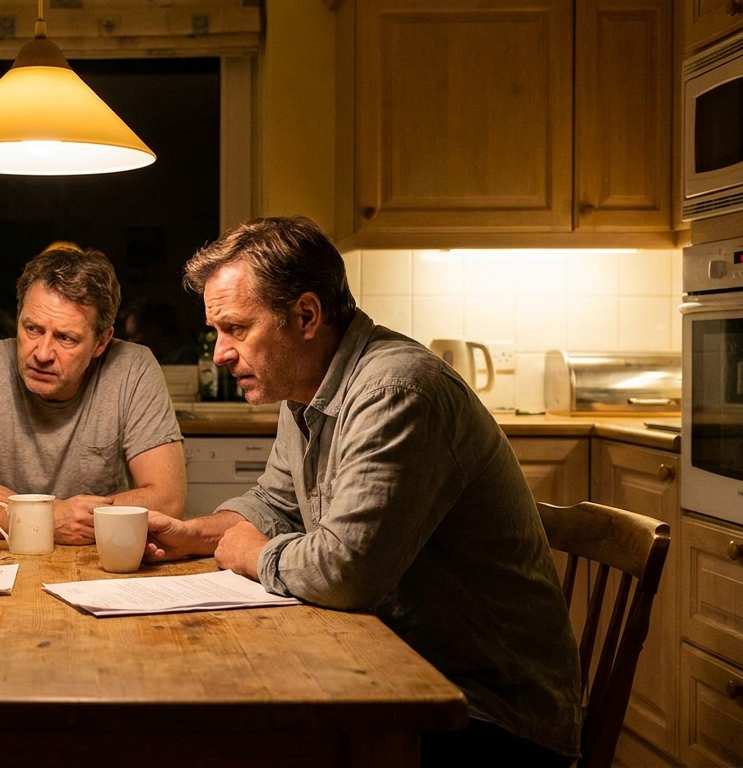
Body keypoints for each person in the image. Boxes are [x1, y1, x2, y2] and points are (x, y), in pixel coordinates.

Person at [144, 217, 582, 767]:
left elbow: (346, 570)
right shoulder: (304, 388)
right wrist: (193, 535)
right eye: (217, 332)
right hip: (392, 671)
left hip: (485, 713)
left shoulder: (397, 391)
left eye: (236, 329)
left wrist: (253, 554)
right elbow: (274, 504)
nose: (220, 353)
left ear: (306, 316)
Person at [0, 245, 186, 544]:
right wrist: (47, 517)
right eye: (32, 329)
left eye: (65, 338)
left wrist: (23, 507)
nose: (42, 354)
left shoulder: (133, 368)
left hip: (100, 557)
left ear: (101, 342)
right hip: (5, 556)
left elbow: (168, 500)